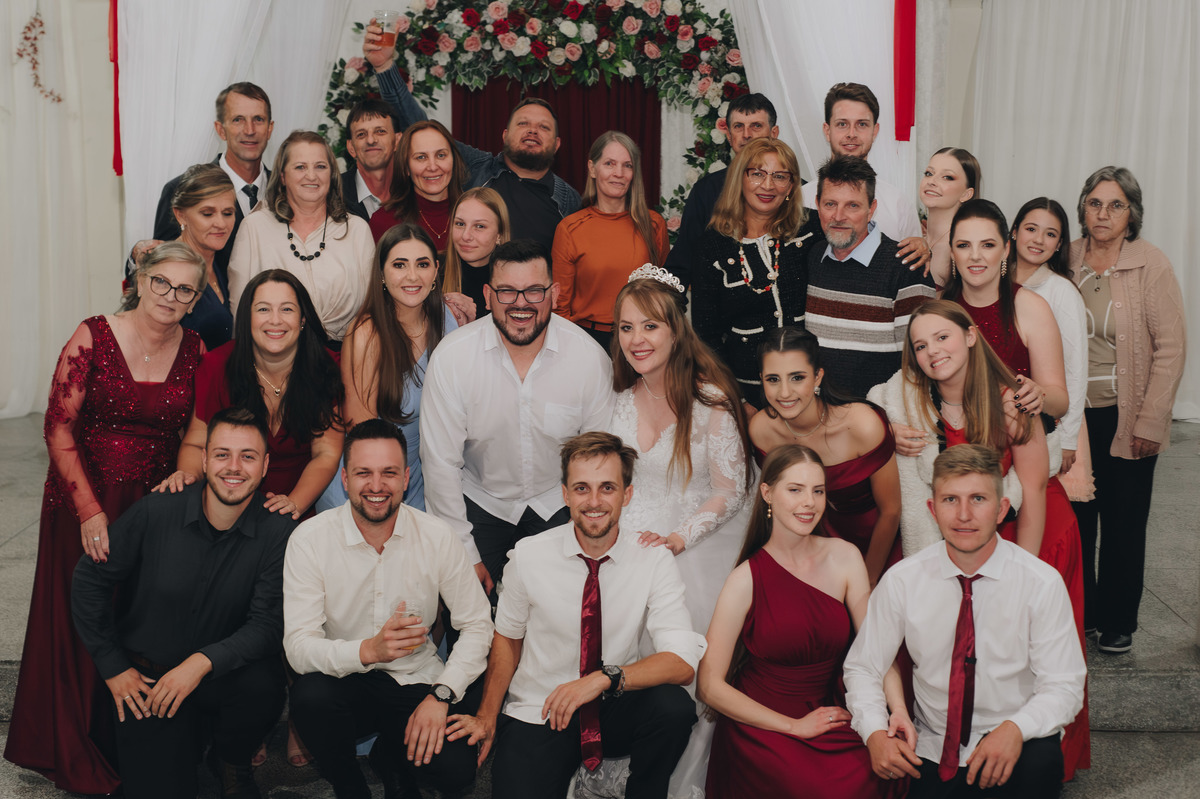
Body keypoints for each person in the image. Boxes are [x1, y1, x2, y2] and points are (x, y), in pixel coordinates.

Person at [4, 243, 205, 794]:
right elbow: (57, 427)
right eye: (161, 282)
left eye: (184, 289)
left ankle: (126, 741)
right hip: (84, 499)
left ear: (195, 300)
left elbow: (196, 432)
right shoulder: (92, 334)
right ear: (141, 279)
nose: (170, 296)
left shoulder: (195, 349)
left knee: (135, 617)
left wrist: (182, 482)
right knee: (81, 615)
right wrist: (89, 511)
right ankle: (70, 743)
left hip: (152, 506)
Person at [869, 300, 1089, 778]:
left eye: (942, 338)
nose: (932, 351)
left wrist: (1020, 576)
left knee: (1020, 654)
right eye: (920, 345)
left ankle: (1029, 750)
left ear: (970, 336)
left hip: (1021, 526)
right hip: (947, 532)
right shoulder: (905, 402)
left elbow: (1032, 488)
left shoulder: (1010, 401)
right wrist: (887, 432)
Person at [443, 432, 705, 799]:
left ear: (627, 495)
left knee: (673, 708)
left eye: (607, 488)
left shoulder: (653, 560)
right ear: (565, 495)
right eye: (582, 488)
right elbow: (507, 638)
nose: (594, 501)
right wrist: (488, 716)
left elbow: (682, 663)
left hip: (613, 702)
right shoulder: (528, 555)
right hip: (540, 707)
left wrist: (603, 679)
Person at [71, 408, 294, 799]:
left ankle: (230, 759)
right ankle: (186, 742)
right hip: (151, 682)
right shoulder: (157, 509)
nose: (234, 467)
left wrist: (199, 663)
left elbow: (268, 625)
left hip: (221, 676)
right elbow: (90, 579)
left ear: (264, 466)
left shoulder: (278, 530)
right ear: (204, 459)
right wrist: (113, 666)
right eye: (222, 454)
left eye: (248, 456)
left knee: (264, 685)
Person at [844, 444, 1086, 799]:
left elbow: (1064, 685)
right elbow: (863, 667)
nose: (963, 515)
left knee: (1041, 764)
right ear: (932, 509)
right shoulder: (903, 580)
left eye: (978, 499)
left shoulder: (1040, 582)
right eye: (950, 500)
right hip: (933, 745)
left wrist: (1016, 728)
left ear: (1001, 508)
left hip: (1017, 741)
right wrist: (874, 732)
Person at [593, 270, 753, 797]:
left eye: (650, 326)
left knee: (681, 654)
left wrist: (679, 539)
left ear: (676, 330)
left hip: (694, 545)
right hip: (627, 537)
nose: (636, 340)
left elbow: (731, 489)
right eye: (626, 328)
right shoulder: (617, 398)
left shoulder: (711, 401)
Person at [284, 420, 493, 799]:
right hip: (342, 680)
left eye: (389, 473)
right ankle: (350, 787)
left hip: (416, 679)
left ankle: (392, 757)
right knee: (310, 699)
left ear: (406, 478)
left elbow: (478, 625)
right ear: (345, 479)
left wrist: (442, 695)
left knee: (457, 769)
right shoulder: (310, 540)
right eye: (364, 473)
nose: (377, 486)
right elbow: (298, 648)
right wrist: (368, 650)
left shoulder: (437, 536)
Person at [701, 445, 908, 799]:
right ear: (768, 493)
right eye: (795, 490)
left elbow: (878, 647)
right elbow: (708, 687)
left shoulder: (845, 557)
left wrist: (898, 709)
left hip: (826, 713)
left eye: (818, 491)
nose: (809, 503)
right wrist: (794, 727)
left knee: (885, 770)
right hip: (761, 725)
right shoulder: (744, 579)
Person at [420, 240, 614, 592]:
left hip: (559, 503)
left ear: (554, 294)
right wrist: (463, 552)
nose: (520, 303)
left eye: (534, 291)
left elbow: (598, 461)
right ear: (487, 295)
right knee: (468, 609)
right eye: (507, 291)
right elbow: (440, 464)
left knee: (563, 610)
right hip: (481, 502)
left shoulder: (589, 358)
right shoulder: (453, 358)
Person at [1068, 166, 1186, 655]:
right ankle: (1084, 613)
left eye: (1115, 205)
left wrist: (1151, 421)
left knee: (1124, 522)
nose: (1103, 213)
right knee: (1077, 520)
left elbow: (1171, 349)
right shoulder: (1065, 257)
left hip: (1127, 415)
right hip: (1072, 419)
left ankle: (1118, 621)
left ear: (1132, 213)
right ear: (1083, 208)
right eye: (1095, 203)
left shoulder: (1150, 264)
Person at [363, 24, 581, 251]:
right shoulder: (476, 166)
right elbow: (418, 128)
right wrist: (384, 66)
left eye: (544, 127)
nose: (532, 130)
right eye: (523, 123)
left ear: (557, 144)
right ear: (505, 135)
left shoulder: (568, 199)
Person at [160, 270, 344, 523]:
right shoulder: (216, 366)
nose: (275, 320)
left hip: (300, 506)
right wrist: (188, 476)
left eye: (287, 309)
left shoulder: (327, 368)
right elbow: (196, 443)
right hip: (229, 505)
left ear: (302, 319)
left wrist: (293, 505)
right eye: (263, 309)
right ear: (248, 318)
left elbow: (326, 453)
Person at [322, 223, 457, 513]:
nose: (412, 276)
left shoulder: (447, 320)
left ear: (436, 270)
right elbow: (363, 435)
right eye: (399, 265)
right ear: (381, 273)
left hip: (429, 473)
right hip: (373, 479)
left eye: (422, 264)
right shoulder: (366, 335)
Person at [751, 327, 901, 585]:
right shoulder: (762, 431)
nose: (784, 393)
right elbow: (775, 509)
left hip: (874, 549)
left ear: (817, 377)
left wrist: (868, 580)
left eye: (797, 377)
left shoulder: (862, 425)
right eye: (773, 379)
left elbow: (891, 511)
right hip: (805, 554)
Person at [690, 138, 819, 404]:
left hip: (811, 390)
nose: (768, 185)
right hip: (747, 392)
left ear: (791, 186)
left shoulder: (812, 228)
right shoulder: (712, 246)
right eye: (757, 174)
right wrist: (738, 402)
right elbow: (706, 336)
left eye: (780, 176)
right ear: (740, 178)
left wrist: (912, 245)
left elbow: (854, 237)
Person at [804, 156, 936, 398]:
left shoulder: (907, 265)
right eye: (830, 204)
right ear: (817, 205)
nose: (838, 216)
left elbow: (921, 364)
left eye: (852, 206)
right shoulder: (813, 257)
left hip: (879, 414)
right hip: (816, 412)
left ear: (871, 209)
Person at [228, 130, 374, 341]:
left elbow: (374, 310)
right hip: (272, 354)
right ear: (282, 176)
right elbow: (239, 312)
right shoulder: (254, 228)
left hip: (345, 355)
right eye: (300, 167)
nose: (312, 176)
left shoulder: (357, 230)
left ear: (332, 175)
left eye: (320, 166)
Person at [941, 200, 1069, 428]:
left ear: (1006, 250)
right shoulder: (939, 307)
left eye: (988, 245)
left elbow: (1060, 402)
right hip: (951, 440)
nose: (975, 256)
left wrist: (1039, 395)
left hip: (1016, 440)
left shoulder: (1031, 307)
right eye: (963, 245)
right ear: (952, 252)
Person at [553, 131, 669, 350]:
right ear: (592, 168)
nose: (619, 173)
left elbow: (664, 294)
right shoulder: (570, 228)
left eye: (627, 165)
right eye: (609, 163)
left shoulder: (653, 224)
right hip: (587, 340)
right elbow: (561, 307)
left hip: (642, 339)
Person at [152, 82, 274, 275]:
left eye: (258, 119)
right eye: (238, 120)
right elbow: (160, 268)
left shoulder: (287, 190)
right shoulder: (180, 190)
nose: (249, 130)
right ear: (220, 130)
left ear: (270, 128)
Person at [663, 93, 780, 291]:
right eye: (738, 126)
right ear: (729, 136)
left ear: (774, 133)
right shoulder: (705, 191)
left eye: (756, 126)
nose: (746, 134)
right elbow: (682, 263)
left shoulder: (794, 190)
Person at [1009, 198, 1087, 479]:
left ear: (1059, 244)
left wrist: (1068, 439)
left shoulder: (1062, 291)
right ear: (1014, 232)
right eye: (1031, 229)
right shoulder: (990, 279)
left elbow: (1076, 369)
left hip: (1047, 419)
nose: (1039, 240)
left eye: (1050, 234)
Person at [801, 82, 923, 243]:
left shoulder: (898, 203)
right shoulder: (801, 199)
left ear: (875, 131)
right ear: (827, 130)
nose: (851, 134)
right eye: (842, 124)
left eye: (862, 124)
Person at [368, 119, 468, 254]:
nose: (432, 167)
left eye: (441, 155)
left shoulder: (476, 215)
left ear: (454, 160)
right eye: (421, 157)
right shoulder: (383, 222)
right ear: (406, 167)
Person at [918, 147, 981, 289]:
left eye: (947, 177)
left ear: (966, 194)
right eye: (929, 173)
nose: (932, 181)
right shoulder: (914, 238)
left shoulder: (962, 249)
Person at [444, 186, 511, 317]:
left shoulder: (517, 282)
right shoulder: (432, 272)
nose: (466, 236)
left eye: (479, 226)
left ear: (499, 235)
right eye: (460, 224)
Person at [341, 99, 402, 223]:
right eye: (361, 134)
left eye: (380, 131)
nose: (371, 140)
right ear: (351, 147)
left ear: (397, 141)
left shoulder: (416, 192)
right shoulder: (331, 194)